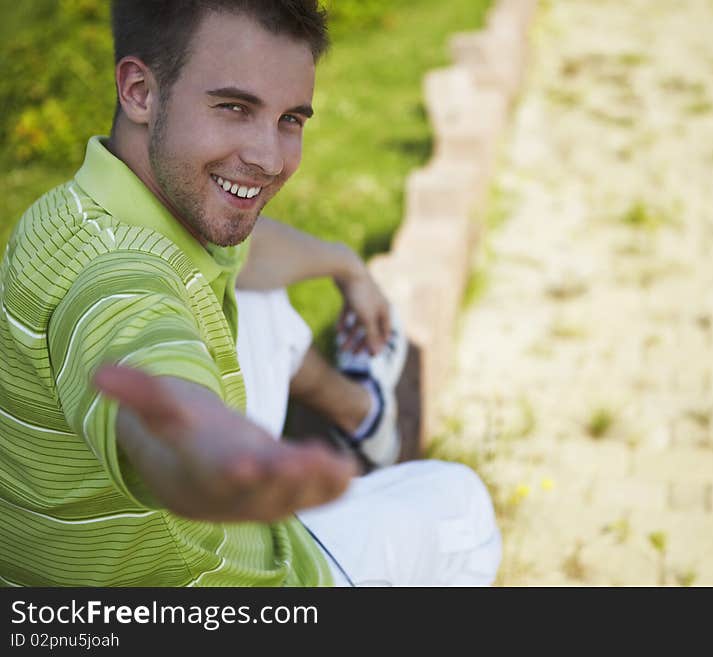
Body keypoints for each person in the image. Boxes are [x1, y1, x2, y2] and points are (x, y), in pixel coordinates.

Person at [0, 0, 501, 587]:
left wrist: (347, 268)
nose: (268, 159)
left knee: (259, 300)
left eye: (291, 119)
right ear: (139, 91)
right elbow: (146, 358)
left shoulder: (86, 209)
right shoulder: (113, 280)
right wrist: (207, 459)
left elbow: (248, 250)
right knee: (461, 503)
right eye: (234, 108)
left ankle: (364, 414)